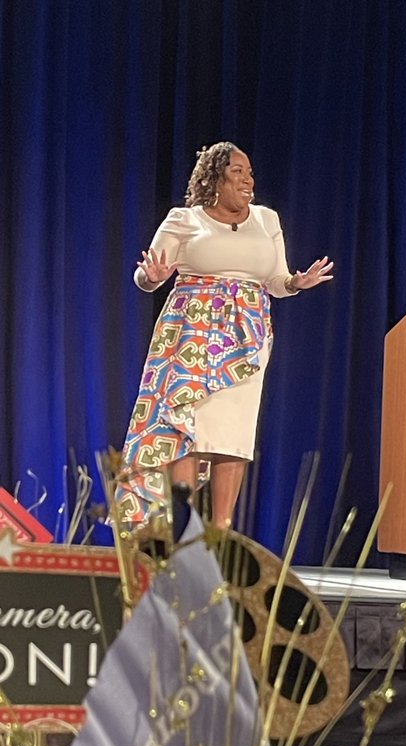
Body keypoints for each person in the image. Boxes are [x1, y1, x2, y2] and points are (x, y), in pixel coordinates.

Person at [115, 142, 333, 530]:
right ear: (215, 178)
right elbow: (145, 277)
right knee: (188, 423)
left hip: (247, 336)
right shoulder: (184, 220)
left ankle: (221, 530)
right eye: (237, 171)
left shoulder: (267, 220)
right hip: (190, 331)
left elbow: (275, 281)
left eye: (250, 172)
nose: (248, 179)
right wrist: (151, 278)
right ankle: (184, 526)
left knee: (233, 432)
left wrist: (296, 282)